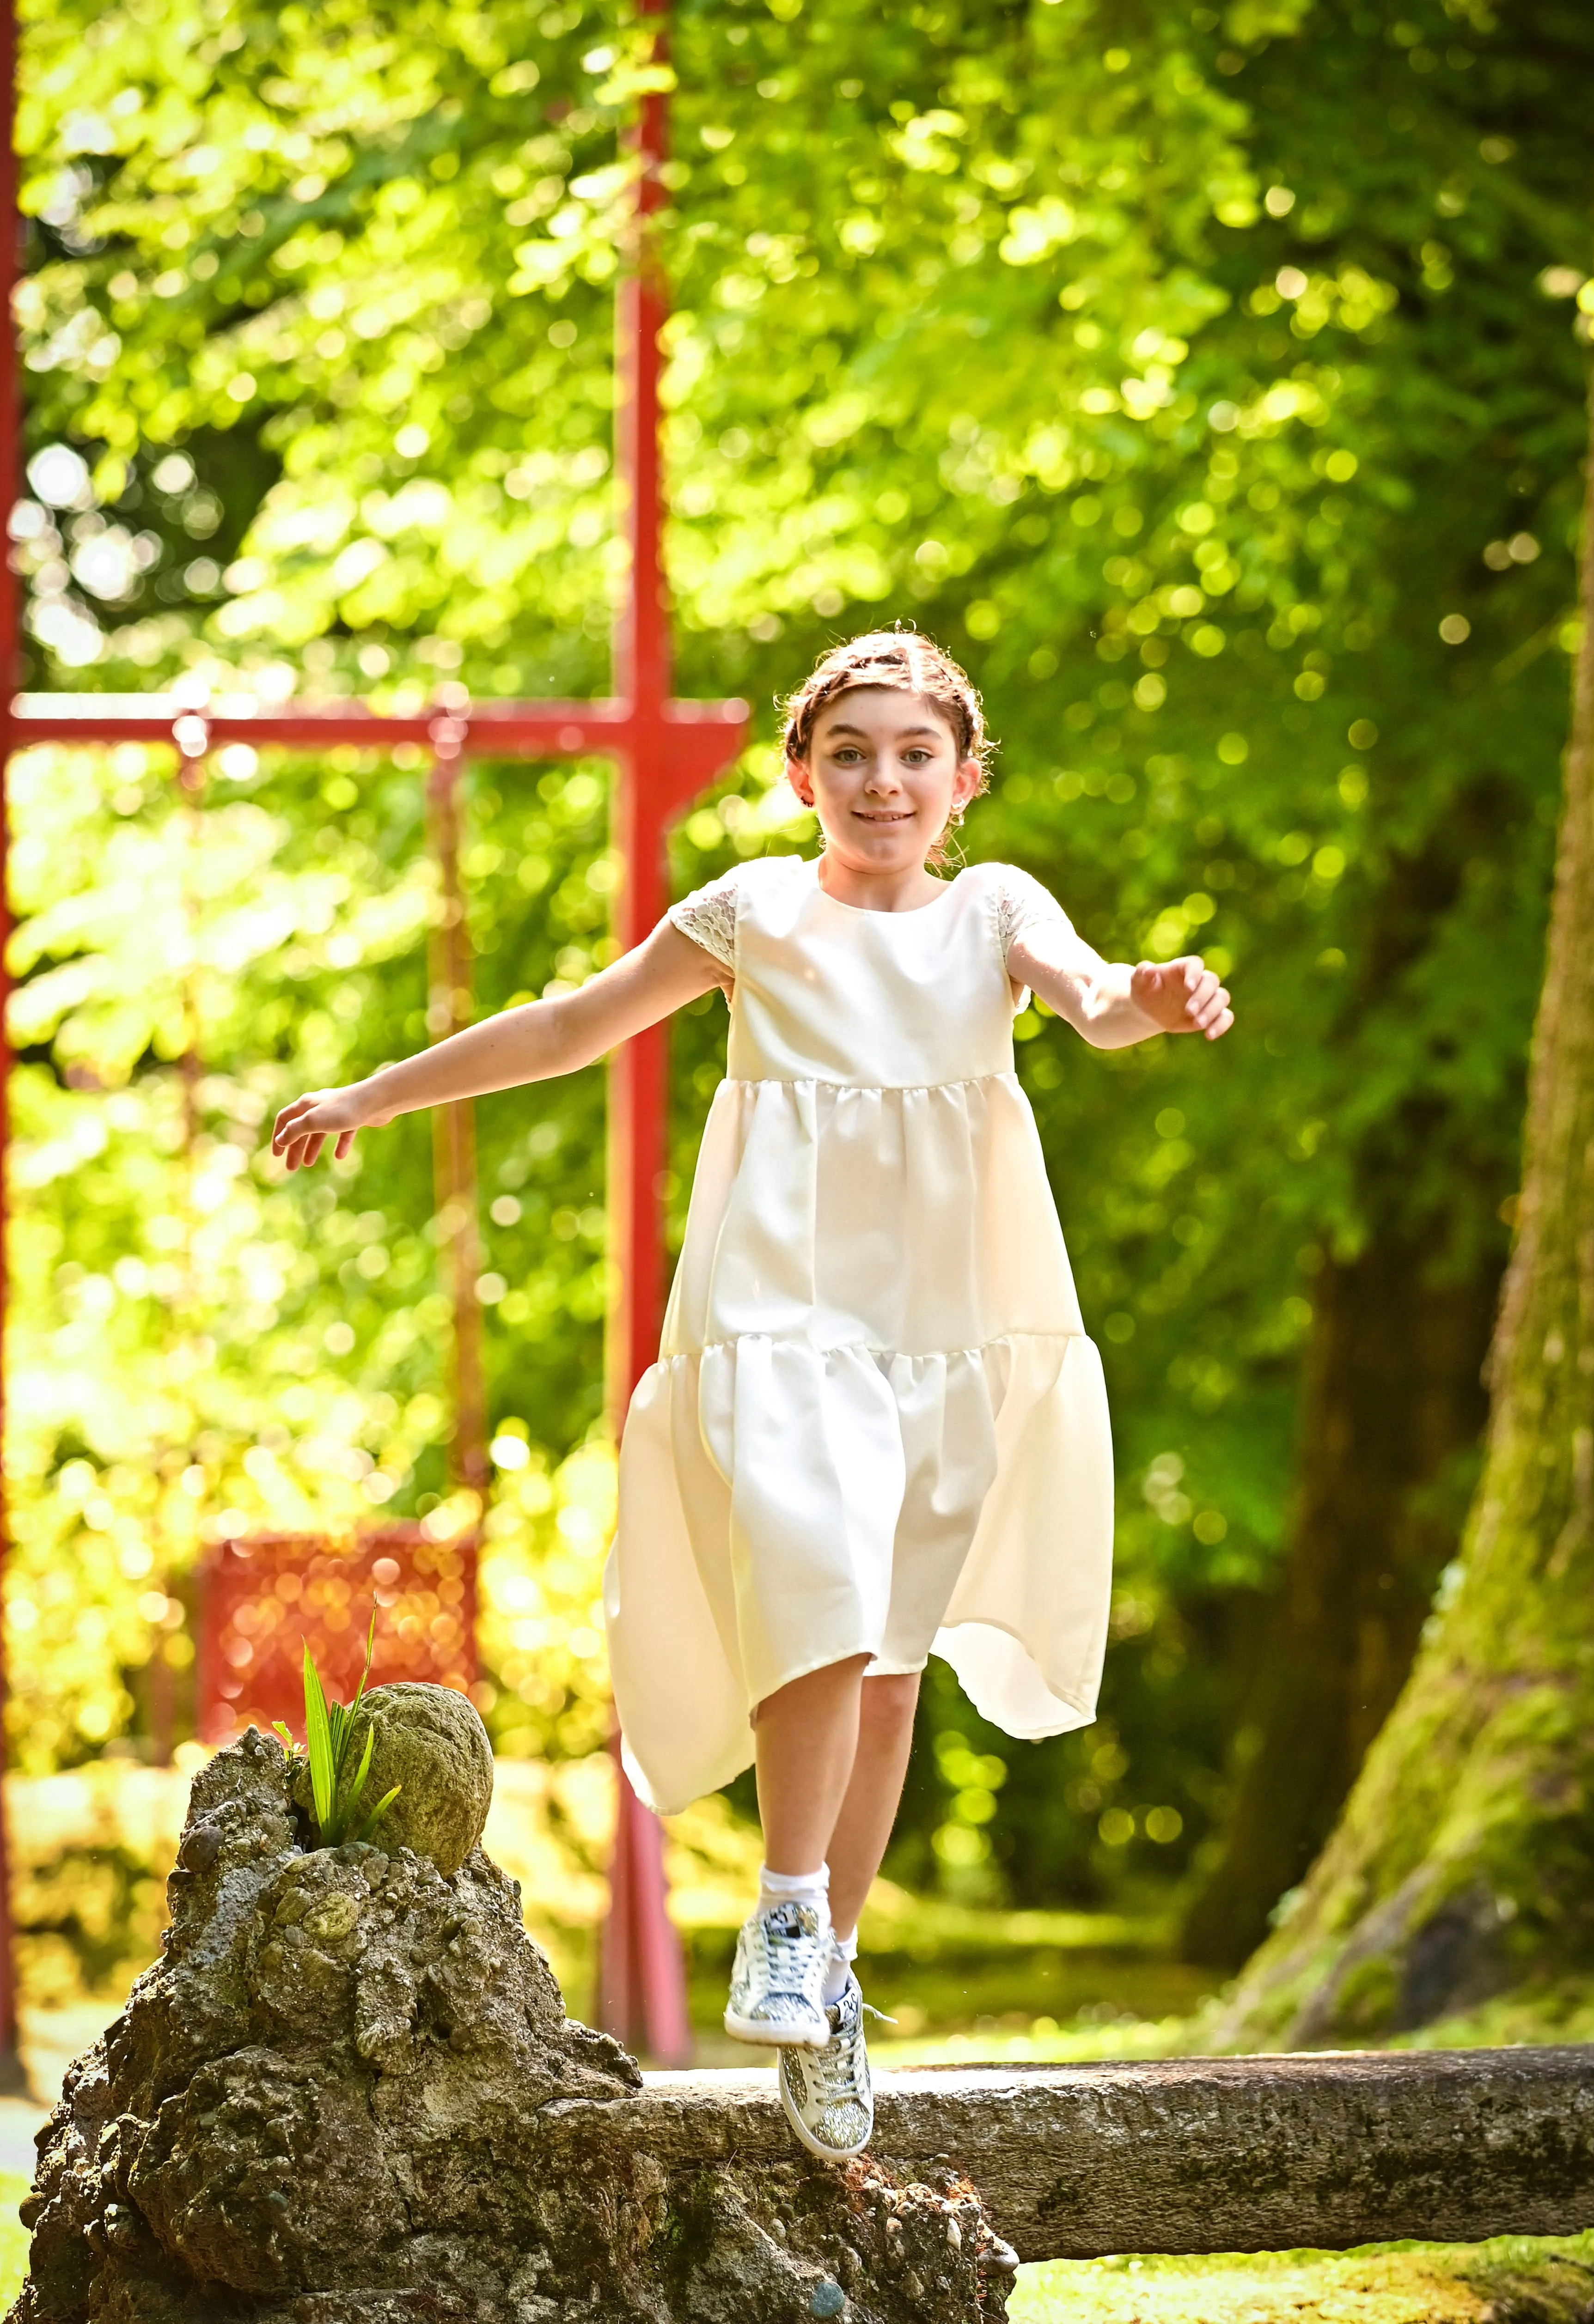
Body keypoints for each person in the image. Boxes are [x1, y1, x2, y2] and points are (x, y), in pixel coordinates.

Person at [272, 628, 1233, 2158]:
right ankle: (790, 1911)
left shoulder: (995, 910)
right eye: (849, 752)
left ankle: (831, 1977)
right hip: (780, 1309)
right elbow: (574, 1022)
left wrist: (1156, 997)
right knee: (815, 1561)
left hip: (946, 1324)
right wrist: (373, 1093)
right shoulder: (753, 914)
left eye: (915, 753)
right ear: (803, 775)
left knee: (889, 1661)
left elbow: (1094, 996)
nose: (882, 780)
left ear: (963, 779)